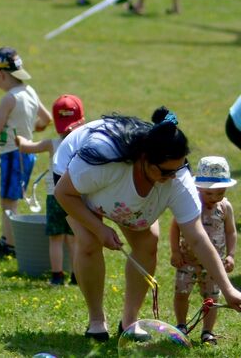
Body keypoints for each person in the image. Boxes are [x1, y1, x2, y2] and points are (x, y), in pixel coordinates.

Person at [53, 107, 241, 341]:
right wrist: (100, 228)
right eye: (166, 172)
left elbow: (197, 237)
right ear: (144, 159)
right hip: (74, 182)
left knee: (148, 244)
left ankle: (129, 322)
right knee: (89, 241)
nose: (173, 177)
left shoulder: (176, 176)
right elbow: (64, 193)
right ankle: (96, 320)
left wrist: (228, 289)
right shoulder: (103, 159)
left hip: (117, 197)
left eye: (178, 169)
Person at [0, 47, 52, 258]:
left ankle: (10, 244)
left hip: (12, 154)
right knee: (12, 199)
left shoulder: (9, 98)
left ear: (0, 74)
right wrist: (33, 127)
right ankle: (8, 240)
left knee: (8, 202)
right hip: (27, 154)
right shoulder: (30, 91)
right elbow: (46, 119)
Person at [17, 94, 85, 285]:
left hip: (54, 197)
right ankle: (76, 276)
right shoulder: (82, 143)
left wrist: (20, 140)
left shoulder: (51, 143)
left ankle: (57, 276)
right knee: (74, 238)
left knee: (56, 239)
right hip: (75, 197)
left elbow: (27, 148)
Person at [170, 156, 236, 345]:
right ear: (198, 187)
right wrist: (175, 251)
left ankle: (207, 331)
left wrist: (230, 255)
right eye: (208, 193)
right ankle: (181, 325)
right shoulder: (190, 205)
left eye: (220, 192)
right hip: (187, 260)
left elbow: (231, 232)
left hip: (214, 265)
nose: (214, 198)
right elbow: (175, 227)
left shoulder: (225, 207)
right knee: (181, 293)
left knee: (212, 298)